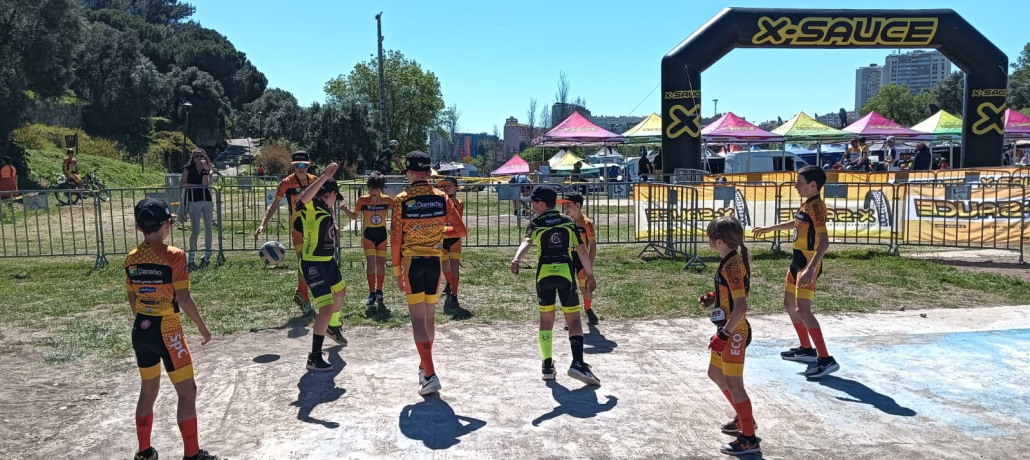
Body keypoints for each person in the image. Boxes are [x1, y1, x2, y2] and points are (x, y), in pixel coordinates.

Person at [124, 198, 221, 460]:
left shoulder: (131, 259)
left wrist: (145, 319)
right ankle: (192, 454)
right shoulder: (174, 256)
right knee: (187, 392)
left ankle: (144, 452)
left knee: (147, 391)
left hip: (141, 329)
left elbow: (132, 299)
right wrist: (203, 328)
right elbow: (184, 299)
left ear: (139, 227)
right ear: (167, 224)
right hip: (168, 331)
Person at [391, 151, 467, 395]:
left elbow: (395, 240)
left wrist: (396, 270)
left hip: (411, 262)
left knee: (417, 319)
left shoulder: (401, 199)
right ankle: (424, 367)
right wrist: (439, 231)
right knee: (430, 317)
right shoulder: (442, 197)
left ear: (411, 173)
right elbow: (460, 230)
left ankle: (430, 373)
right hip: (434, 261)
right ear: (427, 173)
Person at [752, 166, 839, 379]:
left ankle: (825, 358)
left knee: (803, 310)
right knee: (789, 305)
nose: (795, 186)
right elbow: (799, 223)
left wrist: (811, 267)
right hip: (797, 260)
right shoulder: (807, 203)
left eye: (799, 183)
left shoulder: (817, 207)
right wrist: (770, 229)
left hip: (808, 261)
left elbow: (825, 242)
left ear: (813, 185)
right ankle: (806, 349)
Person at [509, 185, 600, 385]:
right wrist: (590, 275)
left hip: (544, 276)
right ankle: (577, 363)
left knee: (546, 320)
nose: (532, 206)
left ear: (542, 204)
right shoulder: (568, 222)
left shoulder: (536, 223)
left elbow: (527, 242)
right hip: (565, 274)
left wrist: (516, 259)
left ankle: (548, 365)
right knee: (574, 321)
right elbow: (581, 250)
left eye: (534, 203)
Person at [701, 216, 761, 457]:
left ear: (719, 241)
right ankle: (744, 418)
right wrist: (712, 297)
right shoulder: (728, 261)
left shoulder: (732, 265)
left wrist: (725, 335)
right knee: (715, 374)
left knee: (735, 384)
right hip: (727, 330)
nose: (707, 241)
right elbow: (732, 294)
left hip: (734, 332)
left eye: (709, 237)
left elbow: (741, 306)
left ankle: (748, 439)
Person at [294, 162, 348, 371]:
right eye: (335, 196)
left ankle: (332, 326)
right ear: (331, 193)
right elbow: (303, 198)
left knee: (340, 292)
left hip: (327, 261)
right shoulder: (313, 204)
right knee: (325, 307)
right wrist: (324, 176)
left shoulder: (326, 208)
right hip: (313, 262)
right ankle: (314, 356)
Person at [255, 151, 319, 315]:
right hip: (298, 228)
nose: (301, 168)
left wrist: (332, 223)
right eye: (297, 165)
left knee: (313, 264)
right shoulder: (286, 183)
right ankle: (305, 300)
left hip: (314, 227)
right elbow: (274, 205)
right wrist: (263, 224)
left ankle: (300, 292)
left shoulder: (315, 180)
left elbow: (324, 203)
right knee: (302, 262)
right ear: (293, 166)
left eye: (304, 165)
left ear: (309, 165)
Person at [340, 171, 394, 310]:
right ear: (368, 188)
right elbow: (354, 216)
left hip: (382, 235)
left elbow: (398, 211)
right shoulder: (362, 200)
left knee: (380, 264)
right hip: (368, 235)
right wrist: (345, 209)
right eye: (371, 188)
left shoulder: (387, 200)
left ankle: (379, 291)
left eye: (377, 189)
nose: (374, 192)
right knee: (371, 264)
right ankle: (371, 293)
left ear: (381, 188)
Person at [558, 193, 599, 326]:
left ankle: (588, 309)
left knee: (585, 288)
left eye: (568, 205)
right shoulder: (563, 221)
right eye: (564, 206)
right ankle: (570, 317)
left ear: (577, 205)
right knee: (568, 289)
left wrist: (589, 267)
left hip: (582, 259)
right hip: (567, 259)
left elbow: (592, 246)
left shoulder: (587, 223)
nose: (565, 208)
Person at [436, 176, 468, 316]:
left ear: (455, 188)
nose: (446, 188)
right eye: (443, 186)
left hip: (454, 238)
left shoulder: (458, 202)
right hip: (442, 238)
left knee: (454, 266)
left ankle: (454, 294)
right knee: (444, 265)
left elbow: (455, 220)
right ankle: (449, 283)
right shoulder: (438, 201)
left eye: (449, 186)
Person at [179, 149, 214, 266]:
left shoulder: (207, 168)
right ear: (193, 158)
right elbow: (182, 183)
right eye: (197, 156)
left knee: (208, 227)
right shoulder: (188, 168)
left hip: (206, 199)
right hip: (193, 200)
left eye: (201, 156)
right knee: (195, 229)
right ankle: (192, 253)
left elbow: (205, 184)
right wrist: (194, 186)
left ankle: (208, 251)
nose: (199, 158)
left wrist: (205, 169)